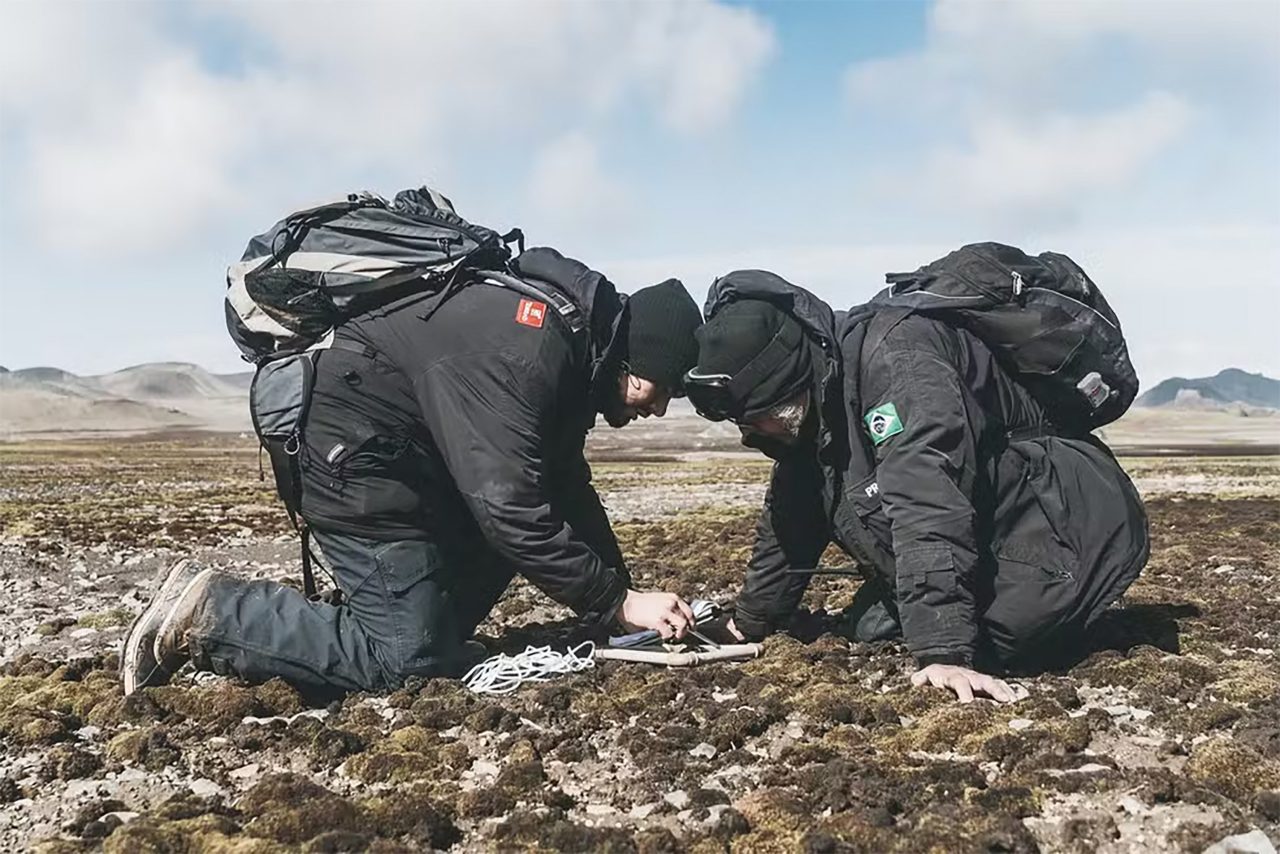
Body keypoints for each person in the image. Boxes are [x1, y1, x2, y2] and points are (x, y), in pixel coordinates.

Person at [121, 247, 705, 696]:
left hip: (399, 459)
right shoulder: (527, 351)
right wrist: (615, 602)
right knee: (406, 661)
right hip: (352, 455)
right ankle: (211, 613)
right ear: (635, 354)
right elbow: (508, 506)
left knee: (442, 624)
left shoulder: (571, 347)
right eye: (660, 388)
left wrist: (625, 603)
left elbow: (564, 488)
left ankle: (396, 616)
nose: (655, 407)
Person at [686, 270, 1149, 703]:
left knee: (1010, 637)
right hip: (1005, 519)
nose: (757, 432)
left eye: (763, 416)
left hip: (1068, 520)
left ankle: (1034, 606)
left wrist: (944, 652)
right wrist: (748, 624)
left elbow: (926, 494)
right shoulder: (818, 399)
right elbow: (793, 516)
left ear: (790, 379)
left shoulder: (897, 358)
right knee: (873, 626)